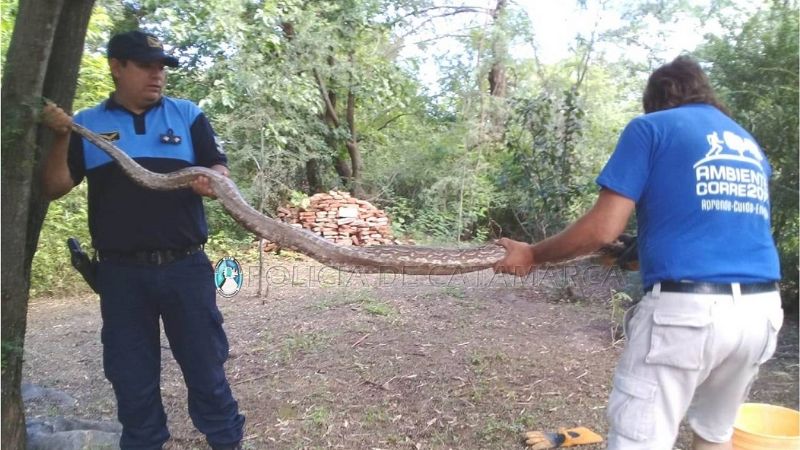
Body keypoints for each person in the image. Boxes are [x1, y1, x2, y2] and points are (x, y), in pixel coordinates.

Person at [494, 55, 782, 450]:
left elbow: (602, 229)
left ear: (659, 98)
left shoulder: (652, 128)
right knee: (715, 437)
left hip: (688, 314)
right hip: (760, 314)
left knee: (639, 440)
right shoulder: (748, 145)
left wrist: (532, 254)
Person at [41, 30, 245, 450]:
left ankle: (227, 441)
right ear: (116, 67)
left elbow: (219, 169)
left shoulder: (187, 115)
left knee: (207, 369)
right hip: (120, 275)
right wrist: (62, 135)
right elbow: (54, 186)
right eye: (146, 66)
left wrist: (212, 181)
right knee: (131, 378)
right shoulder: (89, 124)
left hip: (186, 268)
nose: (157, 75)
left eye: (161, 68)